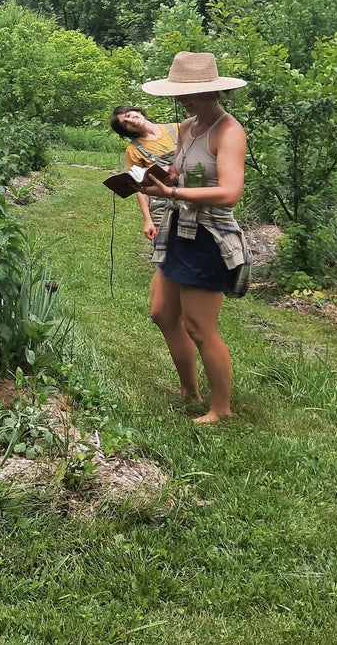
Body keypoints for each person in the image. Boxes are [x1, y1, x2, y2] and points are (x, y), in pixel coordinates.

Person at [137, 52, 250, 424]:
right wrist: (160, 180)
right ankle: (189, 389)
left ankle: (221, 408)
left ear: (211, 91)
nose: (180, 99)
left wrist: (173, 194)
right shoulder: (188, 128)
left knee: (200, 326)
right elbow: (180, 172)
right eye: (177, 93)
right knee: (162, 313)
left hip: (208, 235)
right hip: (179, 229)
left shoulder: (228, 131)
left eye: (187, 93)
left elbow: (230, 192)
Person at [111, 105, 180, 241]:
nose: (131, 121)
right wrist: (148, 220)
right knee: (166, 249)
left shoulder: (177, 128)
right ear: (126, 131)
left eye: (129, 115)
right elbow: (140, 188)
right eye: (125, 123)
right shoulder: (134, 149)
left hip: (194, 194)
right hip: (162, 204)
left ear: (138, 111)